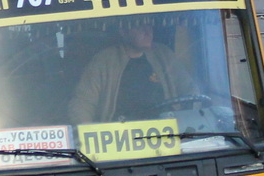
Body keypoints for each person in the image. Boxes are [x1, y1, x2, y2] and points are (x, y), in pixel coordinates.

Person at [68, 19, 197, 125]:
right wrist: (89, 136)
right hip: (120, 139)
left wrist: (189, 122)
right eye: (140, 26)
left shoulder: (164, 55)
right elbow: (82, 104)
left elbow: (190, 91)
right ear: (123, 31)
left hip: (167, 134)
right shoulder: (104, 61)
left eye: (149, 25)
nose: (148, 31)